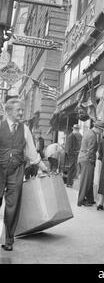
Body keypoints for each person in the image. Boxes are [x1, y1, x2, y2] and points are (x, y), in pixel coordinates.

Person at [0, 98, 48, 251]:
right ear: (8, 112)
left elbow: (31, 152)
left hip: (16, 171)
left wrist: (43, 167)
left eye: (22, 109)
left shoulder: (25, 129)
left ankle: (8, 239)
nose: (21, 112)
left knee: (12, 207)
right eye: (18, 110)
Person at [77, 120, 104, 207]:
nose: (101, 132)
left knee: (89, 180)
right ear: (98, 128)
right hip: (87, 160)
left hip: (82, 158)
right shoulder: (93, 136)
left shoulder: (88, 132)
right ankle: (80, 200)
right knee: (86, 181)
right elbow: (91, 151)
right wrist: (92, 161)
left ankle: (90, 199)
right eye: (101, 130)